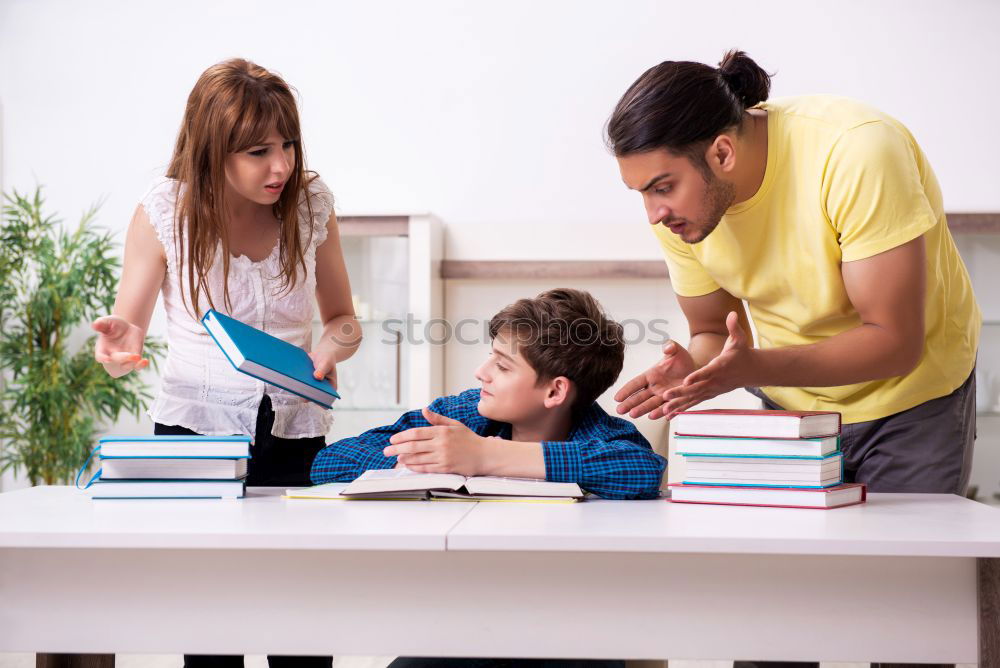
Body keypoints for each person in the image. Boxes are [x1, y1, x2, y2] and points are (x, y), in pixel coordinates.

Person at [606, 50, 976, 668]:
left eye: (662, 187)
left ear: (722, 152)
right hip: (791, 409)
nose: (654, 213)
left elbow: (893, 342)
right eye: (641, 193)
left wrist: (751, 370)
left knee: (903, 626)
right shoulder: (680, 213)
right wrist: (695, 370)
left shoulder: (855, 151)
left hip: (914, 402)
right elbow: (710, 332)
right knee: (772, 620)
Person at [92, 58, 360, 668]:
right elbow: (127, 329)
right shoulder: (164, 211)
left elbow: (343, 317)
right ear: (214, 150)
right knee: (212, 629)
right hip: (194, 432)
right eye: (259, 151)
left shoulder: (311, 203)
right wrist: (117, 347)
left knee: (301, 632)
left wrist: (330, 346)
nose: (282, 166)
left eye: (288, 144)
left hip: (293, 431)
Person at [312, 288, 666, 503]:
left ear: (556, 391)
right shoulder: (466, 414)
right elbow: (327, 462)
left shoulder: (603, 438)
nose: (481, 372)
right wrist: (422, 461)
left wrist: (484, 455)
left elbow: (642, 470)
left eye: (503, 365)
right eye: (490, 356)